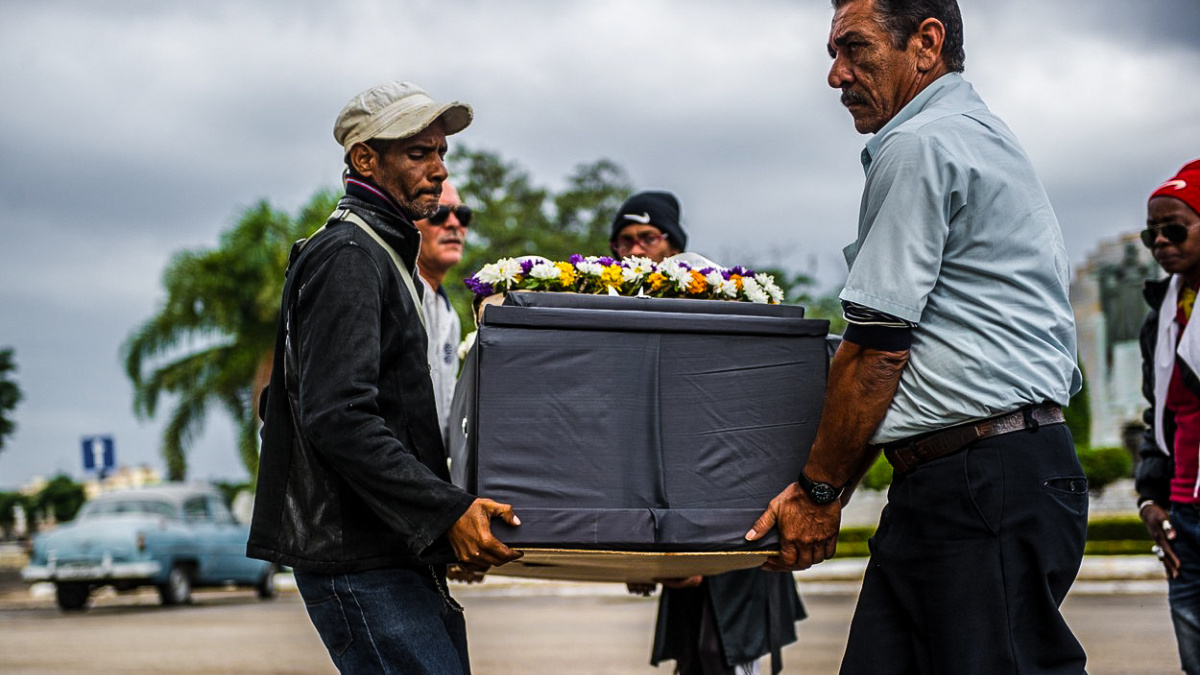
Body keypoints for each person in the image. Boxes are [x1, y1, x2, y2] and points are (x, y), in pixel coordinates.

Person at [746, 1, 1088, 673]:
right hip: (971, 477)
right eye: (832, 54)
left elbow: (877, 348)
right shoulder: (977, 135)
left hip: (979, 482)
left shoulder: (920, 143)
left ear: (926, 43)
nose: (835, 75)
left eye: (853, 48)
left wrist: (819, 492)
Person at [248, 81, 522, 674]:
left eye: (442, 153)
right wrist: (447, 511)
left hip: (389, 552)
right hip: (358, 562)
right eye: (418, 153)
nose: (439, 171)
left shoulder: (383, 254)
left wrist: (438, 525)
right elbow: (338, 416)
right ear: (365, 159)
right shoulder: (349, 254)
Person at [613, 191, 806, 675]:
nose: (635, 251)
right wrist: (640, 553)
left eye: (647, 238)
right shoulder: (618, 321)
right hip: (678, 537)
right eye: (624, 242)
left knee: (729, 659)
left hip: (733, 528)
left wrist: (694, 546)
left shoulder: (712, 307)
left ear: (673, 247)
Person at [1135, 159, 1200, 675]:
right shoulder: (1162, 313)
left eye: (1174, 229)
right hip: (1183, 515)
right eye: (1151, 233)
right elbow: (1161, 415)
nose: (1160, 242)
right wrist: (1150, 498)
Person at [415, 181, 469, 442]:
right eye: (438, 213)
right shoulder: (396, 299)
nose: (454, 224)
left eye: (462, 215)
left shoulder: (451, 318)